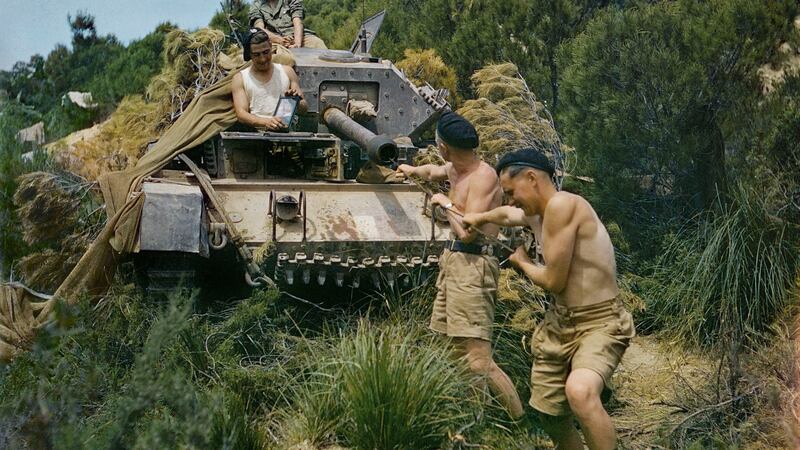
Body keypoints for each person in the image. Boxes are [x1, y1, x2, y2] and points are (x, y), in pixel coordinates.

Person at [462, 147, 635, 450]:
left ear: (532, 177)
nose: (511, 199)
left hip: (599, 322)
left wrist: (522, 262)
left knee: (580, 392)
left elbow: (554, 281)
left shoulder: (562, 206)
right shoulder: (537, 212)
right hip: (560, 323)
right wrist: (478, 216)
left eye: (512, 191)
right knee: (549, 412)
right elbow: (507, 214)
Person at [395, 111, 525, 420]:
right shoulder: (456, 167)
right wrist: (411, 169)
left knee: (479, 358)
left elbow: (468, 231)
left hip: (473, 264)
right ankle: (475, 418)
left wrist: (446, 204)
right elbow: (433, 172)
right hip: (454, 264)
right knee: (451, 349)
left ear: (442, 145)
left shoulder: (483, 177)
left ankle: (521, 424)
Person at [232, 30, 307, 131]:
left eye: (266, 52)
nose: (263, 59)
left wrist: (296, 101)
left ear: (271, 47)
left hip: (287, 133)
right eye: (257, 55)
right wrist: (265, 122)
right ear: (249, 54)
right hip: (255, 136)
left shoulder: (287, 72)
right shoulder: (240, 78)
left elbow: (304, 109)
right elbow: (241, 114)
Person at [249, 0, 327, 49]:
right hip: (273, 39)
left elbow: (297, 21)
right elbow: (259, 28)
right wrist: (278, 40)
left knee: (318, 43)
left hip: (298, 36)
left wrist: (297, 43)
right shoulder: (256, 5)